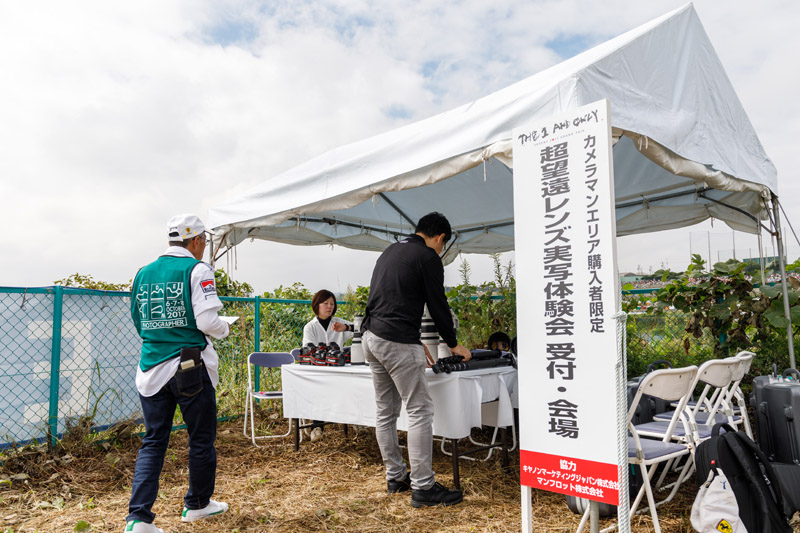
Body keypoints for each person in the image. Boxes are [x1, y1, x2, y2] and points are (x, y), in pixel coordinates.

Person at [124, 214, 230, 533]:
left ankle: (138, 519)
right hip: (188, 367)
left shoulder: (143, 273)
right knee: (200, 438)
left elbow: (139, 320)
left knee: (154, 440)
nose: (204, 247)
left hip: (151, 367)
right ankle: (197, 505)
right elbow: (208, 323)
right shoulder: (198, 270)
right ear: (196, 240)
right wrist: (225, 328)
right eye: (204, 241)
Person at [361, 211, 472, 508]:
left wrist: (414, 338)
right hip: (395, 339)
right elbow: (438, 304)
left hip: (372, 337)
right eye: (442, 245)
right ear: (440, 238)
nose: (441, 250)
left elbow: (383, 299)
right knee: (420, 410)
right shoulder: (428, 258)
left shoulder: (391, 250)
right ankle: (423, 487)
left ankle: (396, 477)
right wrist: (454, 344)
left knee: (386, 412)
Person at [301, 289, 354, 440]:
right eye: (325, 303)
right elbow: (309, 349)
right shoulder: (310, 327)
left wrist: (347, 328)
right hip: (318, 372)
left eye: (332, 303)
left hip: (338, 371)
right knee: (318, 389)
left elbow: (360, 328)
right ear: (317, 305)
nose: (329, 306)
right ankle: (317, 427)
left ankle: (356, 422)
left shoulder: (339, 322)